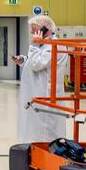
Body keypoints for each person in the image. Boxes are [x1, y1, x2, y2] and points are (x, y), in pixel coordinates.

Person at [13, 13, 68, 143]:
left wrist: (33, 46)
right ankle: (33, 147)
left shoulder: (55, 45)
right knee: (34, 124)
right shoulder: (44, 44)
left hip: (46, 94)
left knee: (44, 128)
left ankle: (44, 151)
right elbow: (35, 61)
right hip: (37, 92)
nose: (32, 32)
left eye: (34, 29)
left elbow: (37, 64)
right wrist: (23, 60)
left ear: (45, 29)